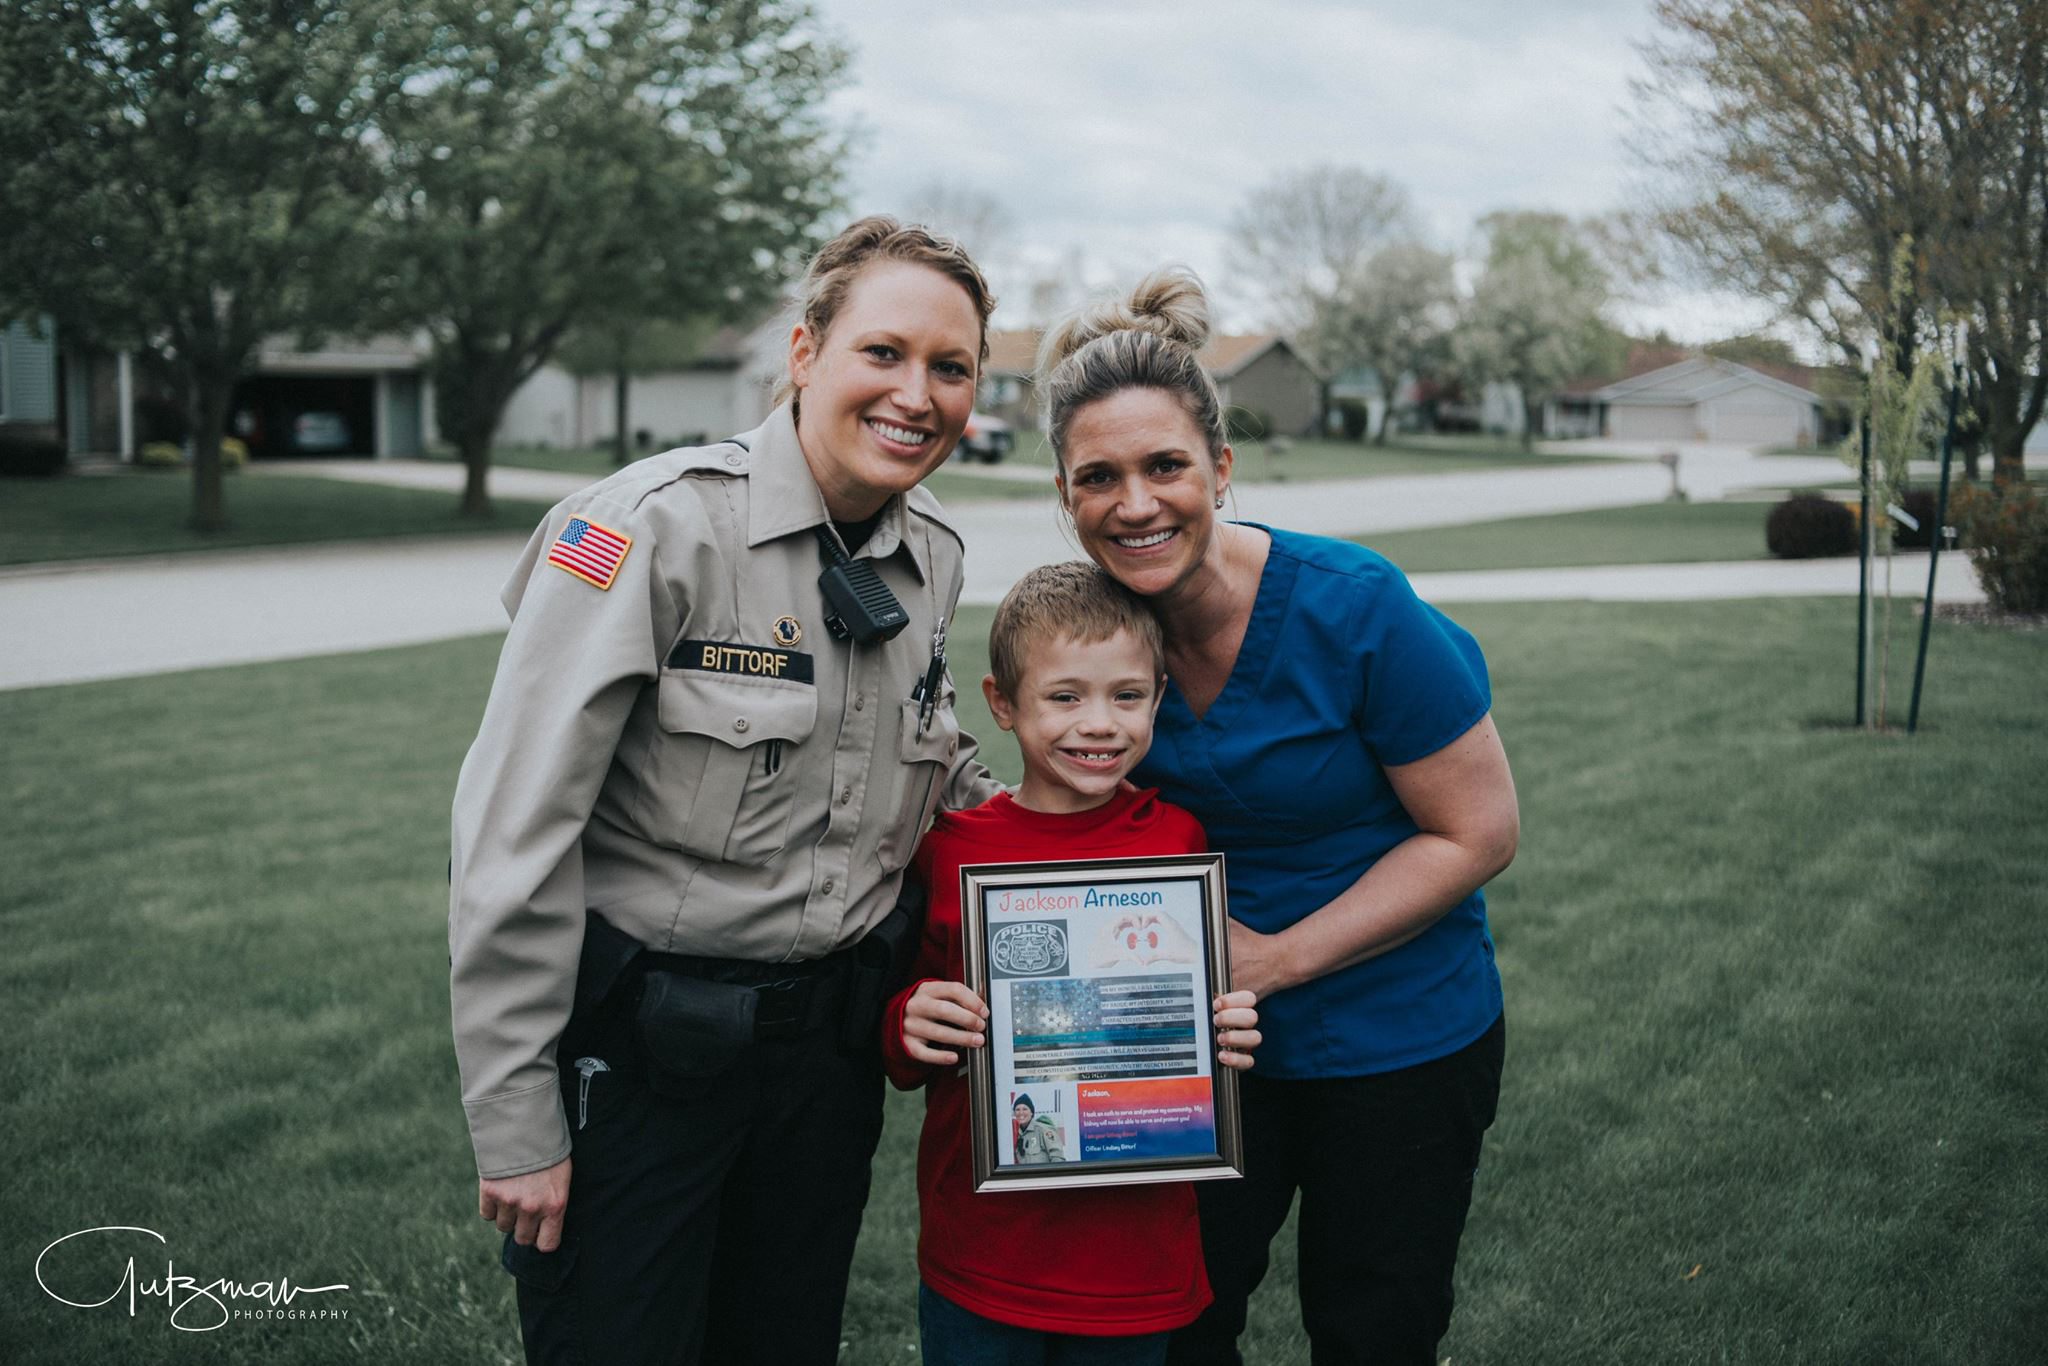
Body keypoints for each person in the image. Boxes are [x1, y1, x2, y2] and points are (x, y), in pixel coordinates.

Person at [448, 215, 1007, 1366]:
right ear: (803, 353)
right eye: (883, 352)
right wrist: (514, 1123)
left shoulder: (933, 551)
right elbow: (514, 833)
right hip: (646, 1061)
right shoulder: (646, 531)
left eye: (950, 368)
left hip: (826, 1073)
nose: (918, 393)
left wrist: (1084, 850)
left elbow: (929, 759)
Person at [1033, 271, 1521, 1366]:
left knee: (1373, 1327)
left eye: (1165, 466)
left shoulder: (1354, 604)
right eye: (1097, 477)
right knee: (1172, 1326)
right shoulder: (1089, 639)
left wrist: (1274, 960)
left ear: (1220, 467)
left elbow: (1477, 831)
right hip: (1187, 1045)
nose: (1136, 502)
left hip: (1400, 1032)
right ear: (1064, 496)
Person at [883, 561, 1263, 1366]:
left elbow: (1192, 1024)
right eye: (1065, 697)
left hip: (1136, 1258)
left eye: (1127, 696)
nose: (1099, 724)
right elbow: (904, 1035)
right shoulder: (950, 851)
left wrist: (1221, 1025)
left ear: (1159, 698)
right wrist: (911, 1017)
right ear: (1002, 704)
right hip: (984, 1253)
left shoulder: (1177, 846)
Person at [1012, 1094, 1066, 1164]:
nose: (1021, 1113)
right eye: (1017, 1109)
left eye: (1024, 1109)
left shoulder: (1044, 1129)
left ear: (1031, 1112)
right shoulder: (1016, 1136)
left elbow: (1058, 1158)